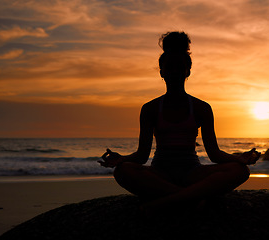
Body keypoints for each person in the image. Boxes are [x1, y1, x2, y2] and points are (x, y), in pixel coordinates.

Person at [98, 31, 260, 213]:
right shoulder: (150, 108)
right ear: (162, 71)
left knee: (240, 170)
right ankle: (189, 198)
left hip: (192, 173)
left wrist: (238, 159)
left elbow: (214, 154)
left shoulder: (201, 108)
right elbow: (142, 156)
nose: (175, 72)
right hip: (160, 173)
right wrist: (120, 159)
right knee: (122, 171)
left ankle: (166, 201)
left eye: (179, 67)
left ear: (188, 71)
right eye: (170, 67)